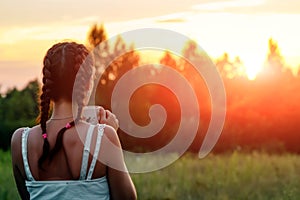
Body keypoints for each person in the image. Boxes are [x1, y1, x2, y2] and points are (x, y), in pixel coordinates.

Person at [11, 42, 137, 200]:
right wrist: (110, 137)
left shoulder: (20, 142)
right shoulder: (103, 137)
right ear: (87, 84)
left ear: (47, 84)